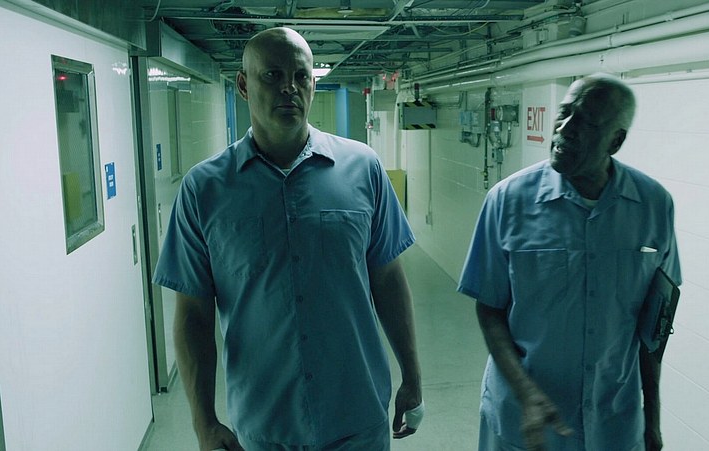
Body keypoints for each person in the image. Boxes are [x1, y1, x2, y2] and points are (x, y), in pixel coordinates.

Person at [153, 27, 423, 451]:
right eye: (273, 75)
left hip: (357, 415)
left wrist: (412, 375)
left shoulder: (363, 168)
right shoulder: (205, 189)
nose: (289, 88)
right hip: (265, 426)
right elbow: (193, 315)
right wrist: (204, 422)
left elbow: (388, 279)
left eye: (300, 76)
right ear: (243, 85)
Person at [458, 73, 682, 451]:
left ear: (616, 141)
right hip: (523, 423)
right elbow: (490, 309)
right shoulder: (508, 200)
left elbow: (653, 327)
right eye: (564, 113)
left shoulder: (653, 205)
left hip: (614, 422)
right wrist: (526, 393)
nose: (564, 129)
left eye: (587, 121)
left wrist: (652, 419)